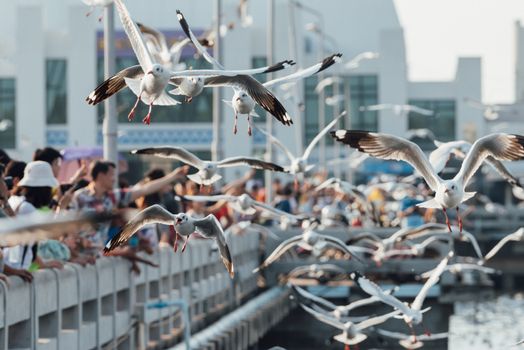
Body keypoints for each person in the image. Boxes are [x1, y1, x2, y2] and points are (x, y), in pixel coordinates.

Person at [71, 161, 188, 250]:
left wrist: (173, 176)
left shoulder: (112, 197)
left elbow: (144, 190)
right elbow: (66, 225)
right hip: (81, 252)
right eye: (111, 175)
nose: (114, 179)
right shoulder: (79, 197)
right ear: (101, 175)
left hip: (97, 255)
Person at [3, 161, 64, 280]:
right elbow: (55, 235)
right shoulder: (28, 209)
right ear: (44, 189)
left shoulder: (15, 201)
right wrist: (62, 207)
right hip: (17, 272)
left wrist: (43, 264)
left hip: (10, 269)